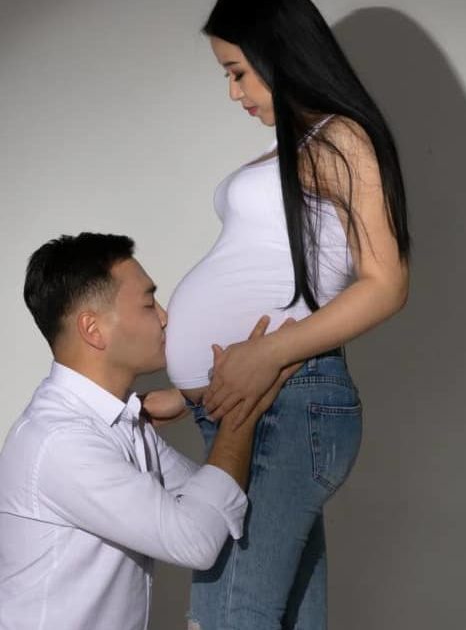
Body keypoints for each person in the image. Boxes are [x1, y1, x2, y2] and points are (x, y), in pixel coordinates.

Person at [163, 0, 411, 630]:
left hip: (285, 404)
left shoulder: (339, 138)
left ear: (276, 53)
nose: (233, 92)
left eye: (238, 72)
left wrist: (265, 355)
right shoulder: (295, 145)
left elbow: (385, 282)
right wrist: (191, 392)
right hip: (257, 403)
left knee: (227, 618)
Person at [0, 232, 297, 630]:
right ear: (93, 329)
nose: (164, 316)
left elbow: (212, 499)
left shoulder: (117, 423)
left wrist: (202, 396)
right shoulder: (60, 442)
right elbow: (195, 538)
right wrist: (242, 406)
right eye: (147, 303)